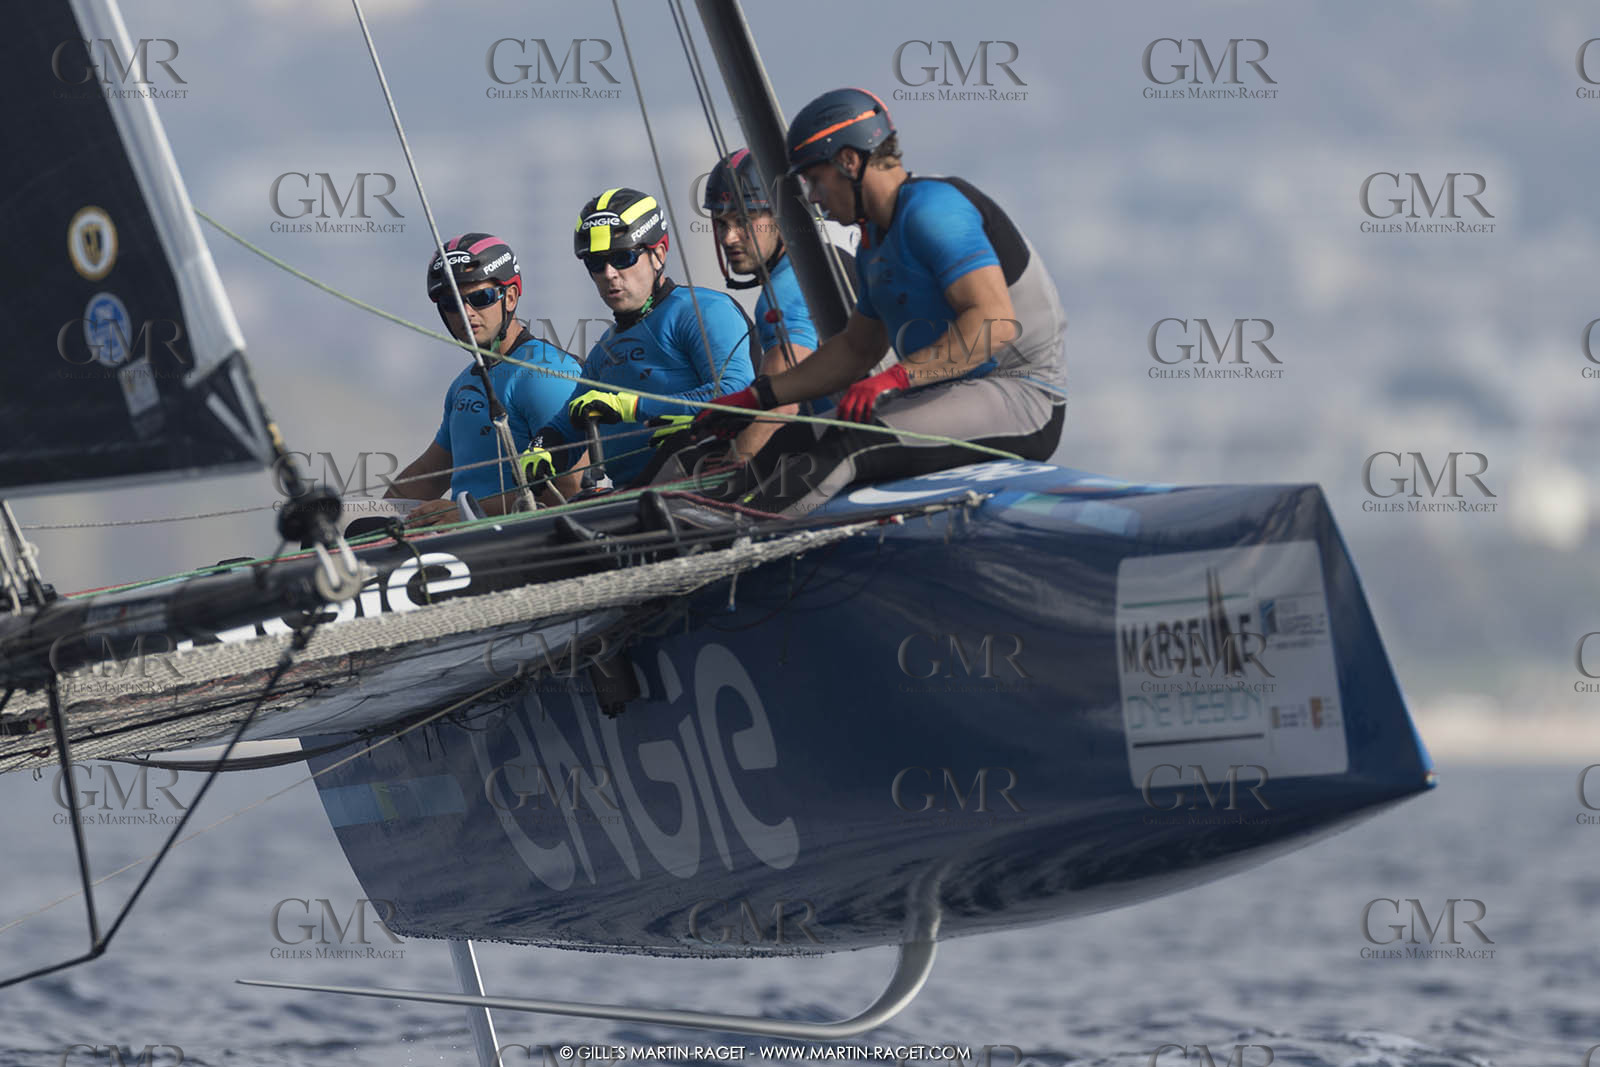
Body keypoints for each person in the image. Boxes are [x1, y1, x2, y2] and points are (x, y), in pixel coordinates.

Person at [694, 88, 1067, 517]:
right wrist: (756, 397)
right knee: (795, 439)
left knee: (850, 443)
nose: (812, 197)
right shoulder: (874, 241)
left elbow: (995, 323)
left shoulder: (933, 210)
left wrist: (894, 379)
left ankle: (737, 541)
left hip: (1023, 397)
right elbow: (857, 349)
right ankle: (699, 526)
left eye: (814, 179)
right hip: (952, 393)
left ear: (849, 162)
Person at [528, 187, 756, 495]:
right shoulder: (605, 350)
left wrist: (634, 406)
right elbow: (567, 426)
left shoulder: (701, 310)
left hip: (709, 490)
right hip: (634, 499)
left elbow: (736, 393)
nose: (609, 273)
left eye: (622, 257)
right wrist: (541, 449)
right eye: (595, 263)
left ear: (659, 254)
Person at [387, 233, 579, 526]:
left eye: (479, 298)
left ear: (510, 297)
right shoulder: (463, 383)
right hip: (467, 538)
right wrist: (369, 515)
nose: (466, 313)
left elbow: (570, 491)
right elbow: (428, 475)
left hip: (524, 541)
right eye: (451, 303)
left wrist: (469, 513)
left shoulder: (544, 373)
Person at [701, 147, 855, 459]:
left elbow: (780, 410)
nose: (729, 238)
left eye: (744, 220)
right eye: (721, 223)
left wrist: (730, 473)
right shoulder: (826, 256)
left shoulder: (785, 290)